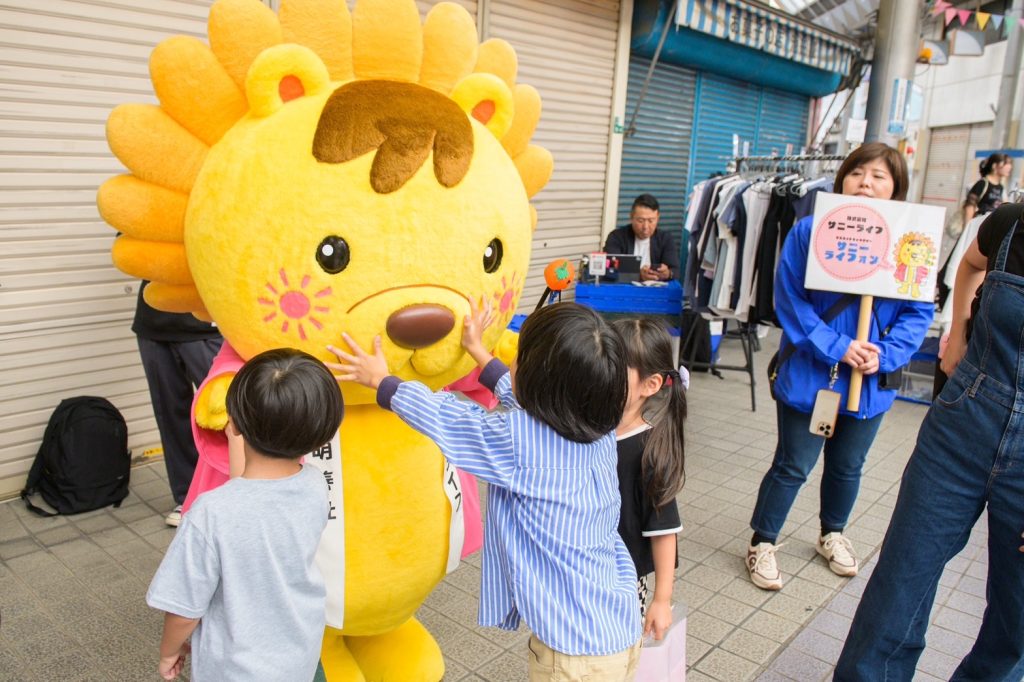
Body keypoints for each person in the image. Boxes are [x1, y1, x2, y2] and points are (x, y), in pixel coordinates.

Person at [329, 301, 643, 680]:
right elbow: (523, 399)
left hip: (575, 652)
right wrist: (477, 349)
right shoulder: (598, 426)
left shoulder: (520, 444)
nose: (513, 361)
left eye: (520, 356)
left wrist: (383, 382)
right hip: (617, 623)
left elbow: (450, 419)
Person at [835, 203, 1024, 682]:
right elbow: (970, 263)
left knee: (1015, 625)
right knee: (900, 584)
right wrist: (957, 331)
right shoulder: (1012, 222)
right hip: (962, 425)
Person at [746, 143, 933, 591]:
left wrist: (883, 354)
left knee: (849, 465)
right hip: (815, 376)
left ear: (896, 189)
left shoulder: (913, 243)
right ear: (842, 179)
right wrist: (837, 346)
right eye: (857, 173)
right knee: (794, 464)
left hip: (869, 382)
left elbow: (918, 311)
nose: (866, 183)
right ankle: (762, 541)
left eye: (879, 176)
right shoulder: (809, 231)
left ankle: (832, 533)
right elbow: (789, 300)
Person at [146, 349, 342, 681]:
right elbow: (253, 493)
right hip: (299, 654)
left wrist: (170, 651)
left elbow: (183, 609)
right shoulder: (313, 485)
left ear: (232, 423)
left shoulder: (211, 513)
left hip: (237, 670)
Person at [612, 318, 686, 642]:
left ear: (650, 384)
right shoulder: (586, 431)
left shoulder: (649, 452)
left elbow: (664, 532)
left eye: (614, 368)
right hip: (579, 570)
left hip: (624, 581)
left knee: (617, 656)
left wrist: (661, 599)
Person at [132, 281, 223, 526]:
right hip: (154, 325)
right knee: (171, 414)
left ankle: (236, 490)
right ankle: (187, 497)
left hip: (205, 324)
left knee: (225, 412)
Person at [604, 194, 680, 281]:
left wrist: (668, 274)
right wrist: (639, 276)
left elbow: (675, 271)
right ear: (631, 217)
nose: (646, 227)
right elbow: (609, 270)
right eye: (640, 221)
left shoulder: (665, 239)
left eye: (651, 221)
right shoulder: (616, 237)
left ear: (658, 218)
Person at [963, 153, 1012, 225]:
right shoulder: (982, 183)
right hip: (978, 226)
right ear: (994, 166)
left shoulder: (1001, 187)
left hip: (990, 227)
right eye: (1005, 163)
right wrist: (967, 228)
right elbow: (970, 207)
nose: (1010, 166)